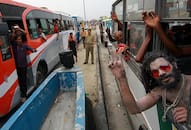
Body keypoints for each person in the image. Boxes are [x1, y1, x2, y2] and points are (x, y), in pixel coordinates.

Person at [108, 51, 190, 123]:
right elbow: (134, 109)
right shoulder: (160, 91)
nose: (161, 73)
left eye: (165, 67)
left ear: (174, 65)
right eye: (155, 72)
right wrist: (122, 78)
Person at [13, 35, 37, 103]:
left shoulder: (24, 46)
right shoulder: (14, 47)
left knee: (23, 80)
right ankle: (22, 93)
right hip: (17, 67)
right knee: (20, 81)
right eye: (18, 39)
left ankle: (24, 95)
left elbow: (31, 49)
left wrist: (33, 50)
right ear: (16, 41)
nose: (19, 40)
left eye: (20, 39)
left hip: (24, 66)